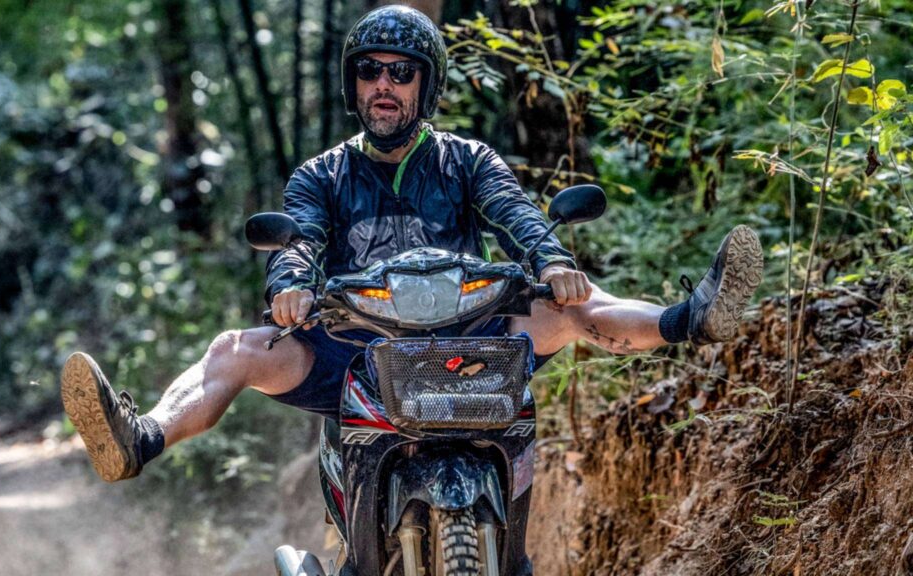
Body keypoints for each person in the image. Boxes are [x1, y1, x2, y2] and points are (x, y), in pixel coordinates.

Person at [60, 5, 763, 483]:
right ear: (354, 84)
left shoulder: (468, 160)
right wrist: (289, 286)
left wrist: (550, 258)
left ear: (425, 85)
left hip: (471, 340)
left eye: (401, 72)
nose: (384, 85)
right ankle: (140, 436)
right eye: (371, 71)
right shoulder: (322, 173)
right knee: (232, 350)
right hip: (352, 348)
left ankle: (694, 317)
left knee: (574, 307)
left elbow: (515, 212)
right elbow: (297, 240)